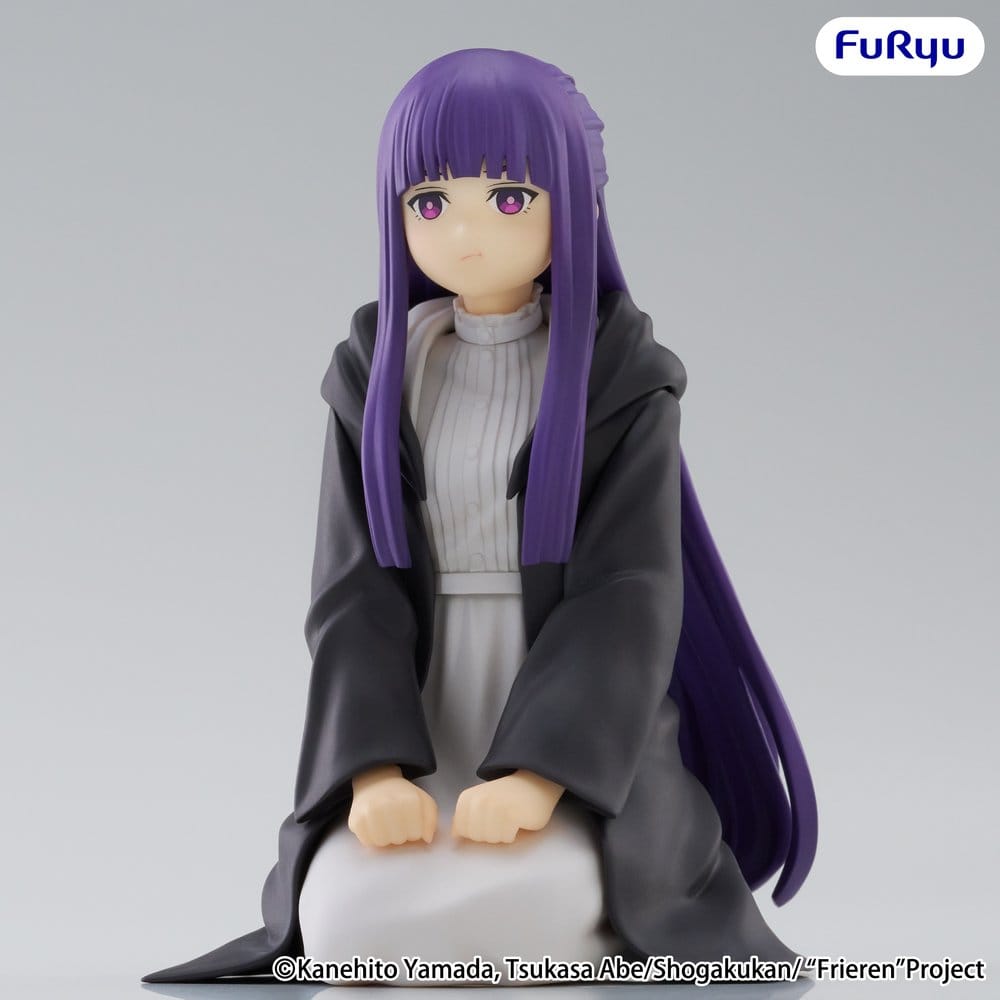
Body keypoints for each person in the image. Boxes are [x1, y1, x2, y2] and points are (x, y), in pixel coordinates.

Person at [143, 48, 817, 986]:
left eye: (507, 199)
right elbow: (351, 590)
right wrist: (373, 772)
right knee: (346, 923)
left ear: (574, 205)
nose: (464, 235)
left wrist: (541, 776)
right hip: (418, 713)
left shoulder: (620, 378)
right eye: (429, 203)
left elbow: (626, 595)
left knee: (527, 912)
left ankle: (578, 878)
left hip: (575, 732)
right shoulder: (378, 372)